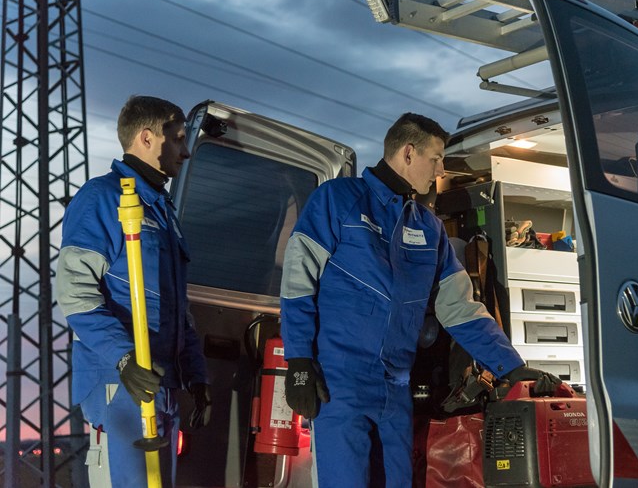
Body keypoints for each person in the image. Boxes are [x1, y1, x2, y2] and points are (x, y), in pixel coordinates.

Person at [280, 112, 560, 487]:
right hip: (339, 383)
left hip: (395, 388)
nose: (440, 170)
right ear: (408, 152)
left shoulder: (429, 228)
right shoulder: (338, 200)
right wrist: (299, 361)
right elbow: (298, 281)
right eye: (436, 158)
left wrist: (510, 367)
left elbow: (459, 307)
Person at [56, 96, 211, 487]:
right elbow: (75, 292)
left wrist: (196, 375)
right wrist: (124, 358)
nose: (186, 151)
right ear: (146, 137)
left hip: (161, 384)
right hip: (120, 382)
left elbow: (176, 307)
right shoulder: (102, 198)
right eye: (178, 138)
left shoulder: (161, 210)